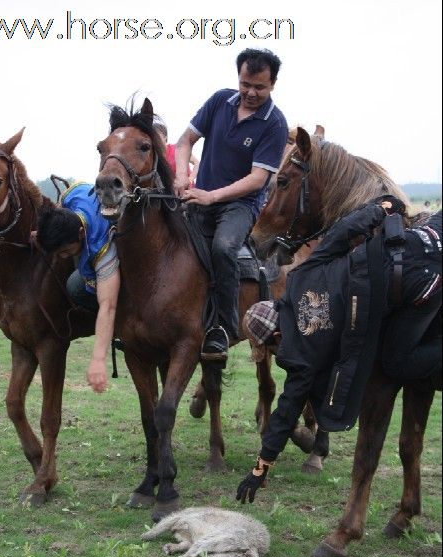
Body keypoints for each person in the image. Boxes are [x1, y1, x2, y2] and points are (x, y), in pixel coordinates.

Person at [236, 197, 442, 503]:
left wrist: (260, 468)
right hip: (414, 240)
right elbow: (341, 233)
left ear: (273, 336)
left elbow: (285, 413)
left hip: (421, 280)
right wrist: (380, 208)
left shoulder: (298, 358)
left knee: (397, 363)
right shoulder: (299, 277)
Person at [174, 48, 288, 361]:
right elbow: (185, 141)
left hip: (240, 206)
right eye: (245, 84)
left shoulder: (275, 124)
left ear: (273, 84)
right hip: (199, 197)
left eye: (260, 87)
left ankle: (222, 330)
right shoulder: (218, 102)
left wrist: (211, 196)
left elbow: (257, 179)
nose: (251, 92)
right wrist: (182, 175)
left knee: (223, 248)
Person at [36, 182, 120, 393]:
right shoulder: (74, 195)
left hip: (124, 249)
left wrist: (98, 360)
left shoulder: (102, 250)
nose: (63, 256)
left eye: (65, 251)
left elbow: (108, 305)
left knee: (76, 287)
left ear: (81, 233)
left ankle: (121, 329)